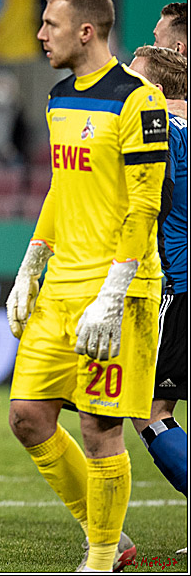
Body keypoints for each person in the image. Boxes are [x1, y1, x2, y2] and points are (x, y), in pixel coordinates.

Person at [5, 0, 170, 572]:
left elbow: (145, 204)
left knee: (102, 429)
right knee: (27, 416)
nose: (40, 33)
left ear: (86, 30)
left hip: (117, 290)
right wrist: (31, 264)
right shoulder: (58, 98)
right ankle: (110, 535)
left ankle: (101, 556)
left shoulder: (138, 101)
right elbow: (61, 187)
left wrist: (114, 290)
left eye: (50, 24)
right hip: (62, 285)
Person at [125, 46, 187, 522]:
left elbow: (142, 202)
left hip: (177, 282)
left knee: (149, 409)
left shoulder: (161, 132)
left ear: (157, 90)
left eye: (133, 76)